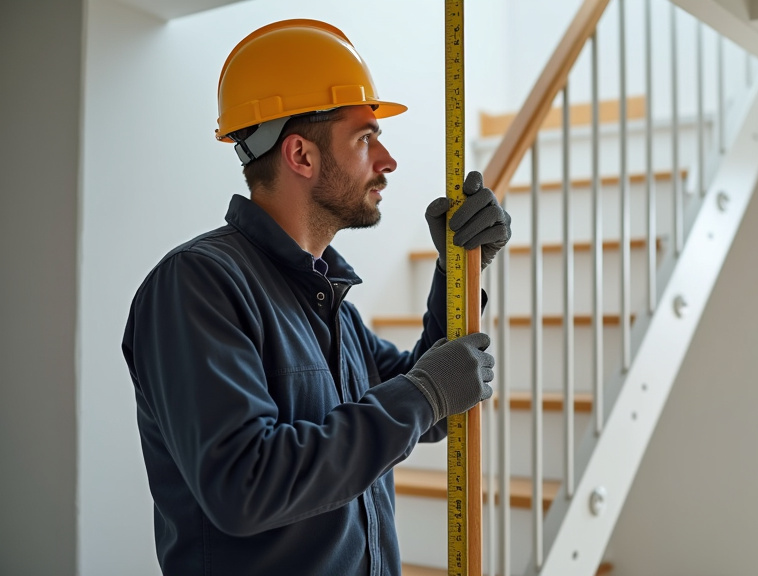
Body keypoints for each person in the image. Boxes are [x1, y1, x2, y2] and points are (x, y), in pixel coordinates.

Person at [122, 19, 511, 575]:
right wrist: (422, 394)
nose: (387, 161)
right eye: (365, 139)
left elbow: (430, 407)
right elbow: (246, 485)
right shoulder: (197, 285)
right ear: (301, 156)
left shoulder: (329, 306)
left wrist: (459, 276)